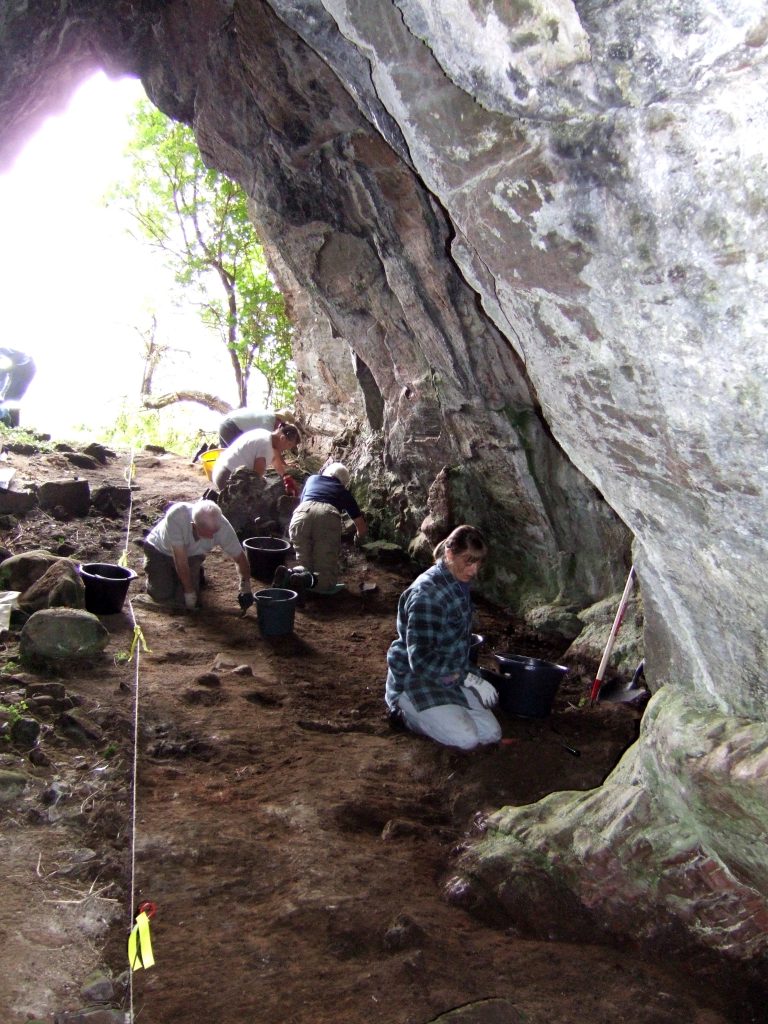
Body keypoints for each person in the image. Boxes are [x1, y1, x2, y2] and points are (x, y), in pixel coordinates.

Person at [385, 525, 501, 751]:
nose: (474, 570)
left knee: (491, 734)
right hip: (415, 679)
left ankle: (443, 710)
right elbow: (420, 660)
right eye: (469, 562)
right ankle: (401, 712)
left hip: (448, 676)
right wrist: (469, 679)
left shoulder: (457, 584)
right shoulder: (427, 595)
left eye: (478, 563)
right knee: (466, 739)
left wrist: (473, 674)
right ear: (449, 554)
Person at [142, 498, 254, 611]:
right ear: (194, 526)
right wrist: (189, 593)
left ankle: (194, 573)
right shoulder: (177, 517)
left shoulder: (222, 525)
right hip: (159, 550)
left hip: (192, 555)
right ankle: (157, 574)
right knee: (161, 594)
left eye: (214, 533)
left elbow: (240, 558)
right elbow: (181, 561)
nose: (211, 538)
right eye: (207, 534)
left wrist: (245, 587)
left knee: (182, 600)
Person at [281, 462, 367, 597]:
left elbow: (304, 503)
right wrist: (358, 539)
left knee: (304, 564)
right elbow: (360, 526)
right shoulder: (343, 491)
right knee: (325, 577)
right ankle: (310, 581)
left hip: (300, 515)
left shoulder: (312, 479)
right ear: (343, 482)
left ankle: (289, 574)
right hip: (326, 517)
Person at [210, 423, 301, 493]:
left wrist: (285, 476)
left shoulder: (264, 433)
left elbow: (274, 458)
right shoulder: (266, 446)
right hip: (225, 477)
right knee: (258, 495)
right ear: (282, 438)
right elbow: (256, 477)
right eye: (289, 445)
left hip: (219, 469)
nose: (286, 449)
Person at [218, 406, 297, 447]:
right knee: (238, 456)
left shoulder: (267, 416)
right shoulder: (268, 422)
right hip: (231, 428)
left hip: (226, 425)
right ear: (279, 419)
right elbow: (272, 447)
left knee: (224, 455)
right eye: (282, 425)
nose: (280, 429)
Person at [0, 347, 36, 428]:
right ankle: (10, 425)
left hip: (25, 368)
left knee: (11, 399)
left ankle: (13, 427)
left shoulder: (2, 354)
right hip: (16, 368)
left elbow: (2, 376)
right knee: (8, 398)